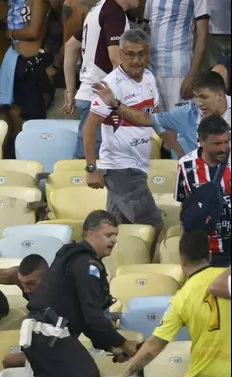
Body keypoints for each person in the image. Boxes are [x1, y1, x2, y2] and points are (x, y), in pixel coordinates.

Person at [95, 231, 231, 377]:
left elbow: (155, 344)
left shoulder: (181, 298)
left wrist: (122, 375)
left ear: (182, 261)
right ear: (209, 256)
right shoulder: (227, 281)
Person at [24, 210, 140, 377]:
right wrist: (123, 343)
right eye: (109, 235)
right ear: (91, 235)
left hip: (39, 337)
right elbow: (93, 316)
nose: (114, 240)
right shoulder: (86, 264)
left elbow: (85, 318)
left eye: (115, 235)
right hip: (51, 336)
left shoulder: (73, 258)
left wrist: (109, 346)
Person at [84, 29, 163, 252]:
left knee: (114, 230)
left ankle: (108, 271)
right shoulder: (111, 84)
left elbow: (155, 118)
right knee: (153, 225)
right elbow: (89, 128)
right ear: (120, 54)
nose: (136, 60)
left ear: (148, 54)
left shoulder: (149, 77)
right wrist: (91, 168)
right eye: (130, 54)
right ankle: (148, 271)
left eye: (141, 54)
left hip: (137, 165)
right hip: (121, 168)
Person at [93, 70, 231, 159]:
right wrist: (115, 104)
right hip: (200, 182)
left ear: (220, 95)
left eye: (203, 97)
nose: (198, 102)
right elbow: (146, 119)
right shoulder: (186, 114)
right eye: (196, 97)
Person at [66, 0, 138, 159]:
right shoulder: (114, 11)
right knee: (95, 164)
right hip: (101, 99)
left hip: (90, 94)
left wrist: (70, 89)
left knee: (89, 160)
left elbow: (70, 46)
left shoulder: (96, 10)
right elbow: (115, 58)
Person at [0, 0, 53, 157]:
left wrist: (11, 33)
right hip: (15, 60)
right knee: (13, 111)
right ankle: (19, 152)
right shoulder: (14, 2)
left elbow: (33, 32)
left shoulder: (38, 1)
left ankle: (31, 153)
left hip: (31, 62)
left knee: (30, 115)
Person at [176, 116, 231, 267]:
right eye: (217, 143)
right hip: (206, 252)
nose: (223, 148)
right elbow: (186, 206)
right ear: (201, 141)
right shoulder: (185, 165)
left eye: (226, 142)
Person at [142, 0, 209, 112]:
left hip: (179, 72)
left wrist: (192, 75)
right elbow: (145, 27)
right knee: (157, 124)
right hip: (152, 70)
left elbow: (203, 35)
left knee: (180, 123)